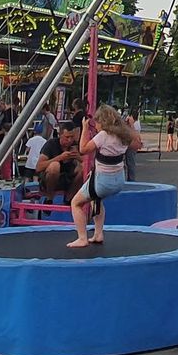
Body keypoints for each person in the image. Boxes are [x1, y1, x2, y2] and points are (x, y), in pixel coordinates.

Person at [68, 105, 140, 248]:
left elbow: (83, 149)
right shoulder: (124, 136)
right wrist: (131, 127)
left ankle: (82, 238)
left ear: (103, 121)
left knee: (76, 203)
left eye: (97, 122)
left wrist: (85, 129)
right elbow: (138, 145)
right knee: (96, 200)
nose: (96, 125)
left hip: (103, 182)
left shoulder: (103, 136)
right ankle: (98, 233)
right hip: (119, 181)